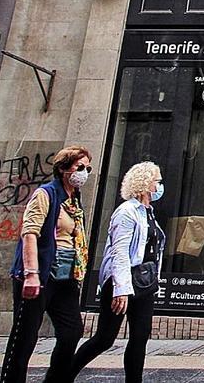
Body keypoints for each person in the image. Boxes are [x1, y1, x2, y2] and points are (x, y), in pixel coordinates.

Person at [1, 145, 93, 383]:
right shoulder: (46, 194)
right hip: (40, 274)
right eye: (80, 167)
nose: (84, 172)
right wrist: (31, 274)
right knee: (25, 337)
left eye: (88, 168)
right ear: (63, 169)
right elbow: (29, 233)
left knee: (71, 332)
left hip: (66, 276)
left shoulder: (74, 199)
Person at [69, 161, 166, 382]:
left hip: (144, 284)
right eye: (157, 181)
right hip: (123, 282)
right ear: (144, 183)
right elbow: (119, 252)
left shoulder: (148, 212)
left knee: (140, 337)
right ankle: (64, 374)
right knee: (105, 338)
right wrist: (121, 289)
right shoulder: (127, 212)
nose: (160, 186)